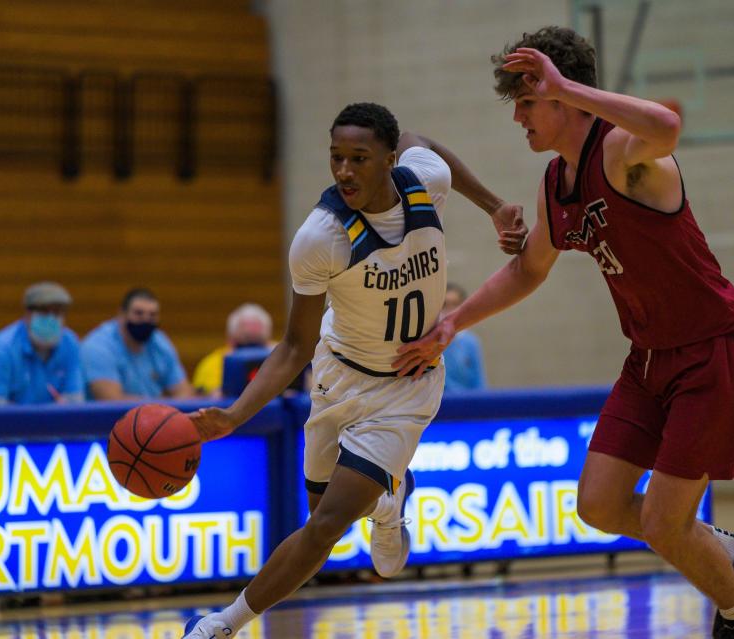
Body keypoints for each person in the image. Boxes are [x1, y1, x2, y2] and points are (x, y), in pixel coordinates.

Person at [394, 27, 734, 639]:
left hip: (711, 349)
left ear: (561, 97)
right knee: (598, 504)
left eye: (528, 101)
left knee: (662, 520)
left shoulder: (624, 151)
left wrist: (569, 85)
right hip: (648, 361)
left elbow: (669, 128)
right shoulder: (556, 183)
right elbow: (529, 270)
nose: (518, 117)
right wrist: (451, 323)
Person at [181, 102, 526, 638]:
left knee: (323, 526)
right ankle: (389, 501)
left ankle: (221, 625)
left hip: (406, 388)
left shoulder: (423, 183)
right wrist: (234, 415)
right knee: (324, 508)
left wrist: (495, 206)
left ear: (390, 160)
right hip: (337, 376)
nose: (344, 171)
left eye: (359, 159)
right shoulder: (320, 238)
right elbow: (293, 347)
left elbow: (422, 138)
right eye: (336, 158)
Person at [0, 282, 84, 405]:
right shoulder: (0, 350)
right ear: (27, 315)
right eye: (44, 312)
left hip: (37, 428)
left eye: (57, 313)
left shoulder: (70, 343)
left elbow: (74, 401)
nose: (51, 319)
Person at [80, 287, 194, 400]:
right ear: (122, 314)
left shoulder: (159, 342)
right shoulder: (99, 346)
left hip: (152, 415)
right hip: (106, 418)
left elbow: (184, 393)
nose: (146, 320)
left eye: (152, 315)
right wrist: (160, 408)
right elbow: (111, 400)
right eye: (138, 313)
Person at [191, 303, 277, 397]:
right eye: (245, 346)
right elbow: (214, 399)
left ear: (269, 341)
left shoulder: (280, 360)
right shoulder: (212, 364)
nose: (251, 354)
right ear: (230, 341)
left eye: (258, 345)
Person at [441, 282, 486, 392]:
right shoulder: (428, 341)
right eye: (445, 304)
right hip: (437, 406)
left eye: (454, 304)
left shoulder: (471, 342)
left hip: (466, 404)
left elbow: (479, 382)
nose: (449, 310)